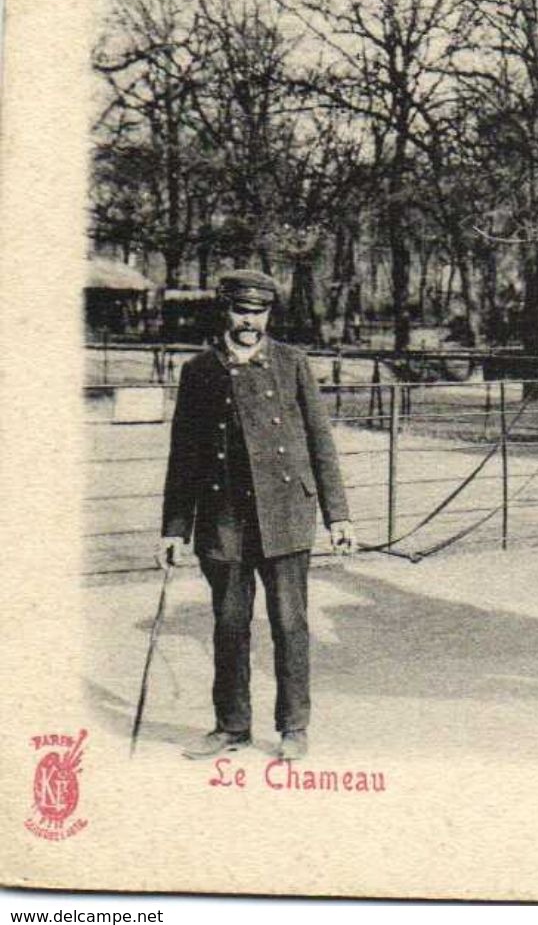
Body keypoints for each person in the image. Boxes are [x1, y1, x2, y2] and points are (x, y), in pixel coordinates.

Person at [158, 269, 354, 761]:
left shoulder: (292, 364)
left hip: (286, 515)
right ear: (224, 311)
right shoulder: (200, 371)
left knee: (290, 624)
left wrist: (339, 516)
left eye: (258, 312)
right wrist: (174, 529)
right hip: (224, 519)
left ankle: (293, 726)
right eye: (241, 311)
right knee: (229, 625)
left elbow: (320, 443)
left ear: (269, 314)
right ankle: (231, 727)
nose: (249, 321)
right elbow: (184, 456)